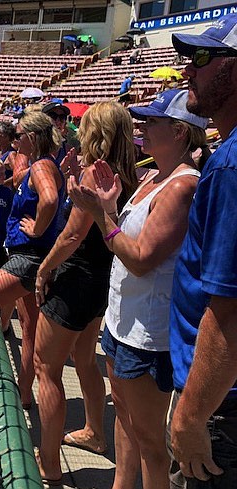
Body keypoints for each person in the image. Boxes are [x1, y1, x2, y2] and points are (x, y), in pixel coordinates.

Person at [68, 90, 209, 489]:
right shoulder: (152, 176)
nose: (141, 127)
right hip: (121, 321)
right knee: (127, 425)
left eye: (152, 121)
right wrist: (109, 207)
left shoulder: (182, 186)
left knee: (150, 442)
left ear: (180, 132)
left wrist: (101, 215)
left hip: (147, 333)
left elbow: (142, 258)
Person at [34, 102, 138, 485]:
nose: (78, 131)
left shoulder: (97, 173)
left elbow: (72, 235)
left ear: (99, 133)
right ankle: (95, 432)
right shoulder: (130, 170)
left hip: (75, 281)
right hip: (101, 284)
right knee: (84, 359)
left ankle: (49, 462)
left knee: (48, 369)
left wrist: (44, 270)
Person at [167, 14, 237, 489]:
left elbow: (231, 310)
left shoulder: (230, 164)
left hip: (219, 405)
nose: (186, 67)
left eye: (202, 57)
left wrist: (191, 417)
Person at [0, 111, 65, 410]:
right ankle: (23, 394)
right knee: (28, 327)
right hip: (33, 259)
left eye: (19, 135)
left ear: (32, 138)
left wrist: (37, 228)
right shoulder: (39, 164)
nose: (15, 139)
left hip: (29, 259)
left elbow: (49, 200)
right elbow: (25, 181)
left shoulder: (42, 166)